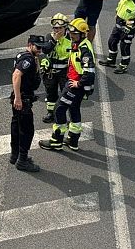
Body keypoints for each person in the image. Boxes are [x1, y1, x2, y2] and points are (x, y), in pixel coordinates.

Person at [39, 18, 95, 152]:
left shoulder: (84, 49)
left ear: (82, 34)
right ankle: (73, 140)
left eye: (75, 33)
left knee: (59, 109)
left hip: (74, 86)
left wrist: (78, 83)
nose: (71, 35)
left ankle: (56, 141)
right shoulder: (78, 44)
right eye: (70, 32)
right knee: (74, 110)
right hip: (74, 84)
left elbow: (90, 72)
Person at [10, 34, 49, 172]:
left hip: (20, 97)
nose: (40, 50)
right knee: (27, 131)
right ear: (30, 44)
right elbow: (16, 75)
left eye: (42, 48)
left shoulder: (23, 55)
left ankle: (15, 155)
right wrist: (18, 98)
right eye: (37, 47)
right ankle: (22, 160)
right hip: (23, 100)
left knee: (16, 126)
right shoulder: (28, 59)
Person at [41, 13, 72, 124]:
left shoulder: (71, 38)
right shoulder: (49, 37)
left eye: (60, 28)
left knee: (66, 94)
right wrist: (54, 40)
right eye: (55, 28)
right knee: (50, 94)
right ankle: (51, 113)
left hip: (65, 72)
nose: (57, 30)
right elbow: (45, 50)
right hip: (51, 72)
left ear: (65, 27)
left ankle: (67, 116)